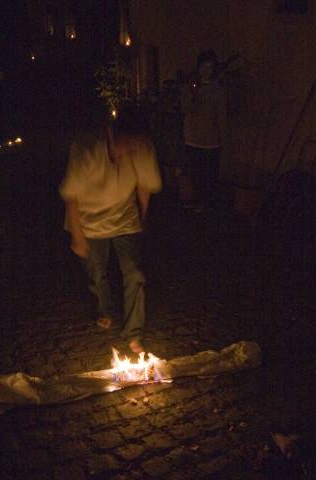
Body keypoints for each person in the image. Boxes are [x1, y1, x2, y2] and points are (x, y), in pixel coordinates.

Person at [59, 106, 162, 354]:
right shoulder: (85, 150)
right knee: (97, 270)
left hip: (125, 218)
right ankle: (104, 308)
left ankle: (133, 333)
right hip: (89, 220)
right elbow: (71, 197)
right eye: (124, 144)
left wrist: (142, 219)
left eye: (134, 145)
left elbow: (145, 187)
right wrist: (77, 235)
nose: (129, 151)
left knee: (135, 273)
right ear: (110, 135)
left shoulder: (142, 147)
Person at [181, 49, 227, 211]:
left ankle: (207, 204)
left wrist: (223, 137)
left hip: (210, 140)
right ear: (198, 67)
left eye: (210, 67)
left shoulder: (218, 90)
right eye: (204, 66)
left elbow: (221, 115)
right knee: (195, 173)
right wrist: (193, 95)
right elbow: (186, 109)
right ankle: (194, 201)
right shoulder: (191, 87)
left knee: (209, 175)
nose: (206, 70)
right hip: (193, 138)